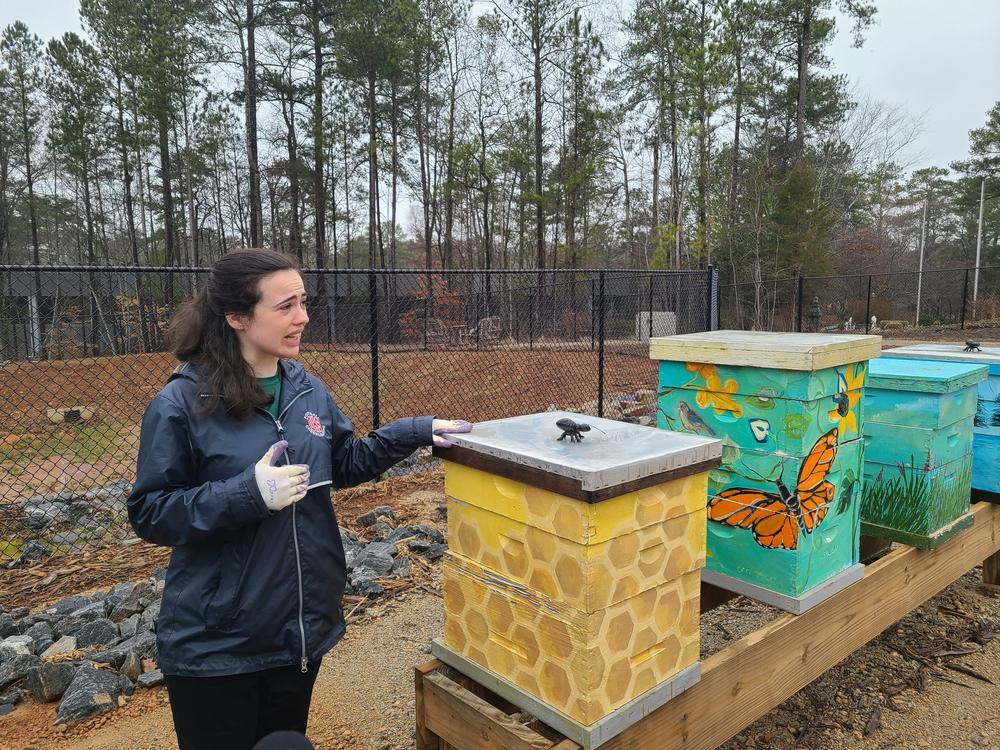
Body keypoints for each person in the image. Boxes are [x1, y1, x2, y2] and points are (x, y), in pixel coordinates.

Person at [127, 249, 471, 750]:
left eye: (303, 302)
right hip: (218, 642)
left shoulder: (305, 388)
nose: (303, 317)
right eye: (286, 306)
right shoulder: (181, 404)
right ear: (237, 317)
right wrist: (249, 493)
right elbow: (150, 511)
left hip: (298, 632)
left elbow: (344, 462)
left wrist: (416, 432)